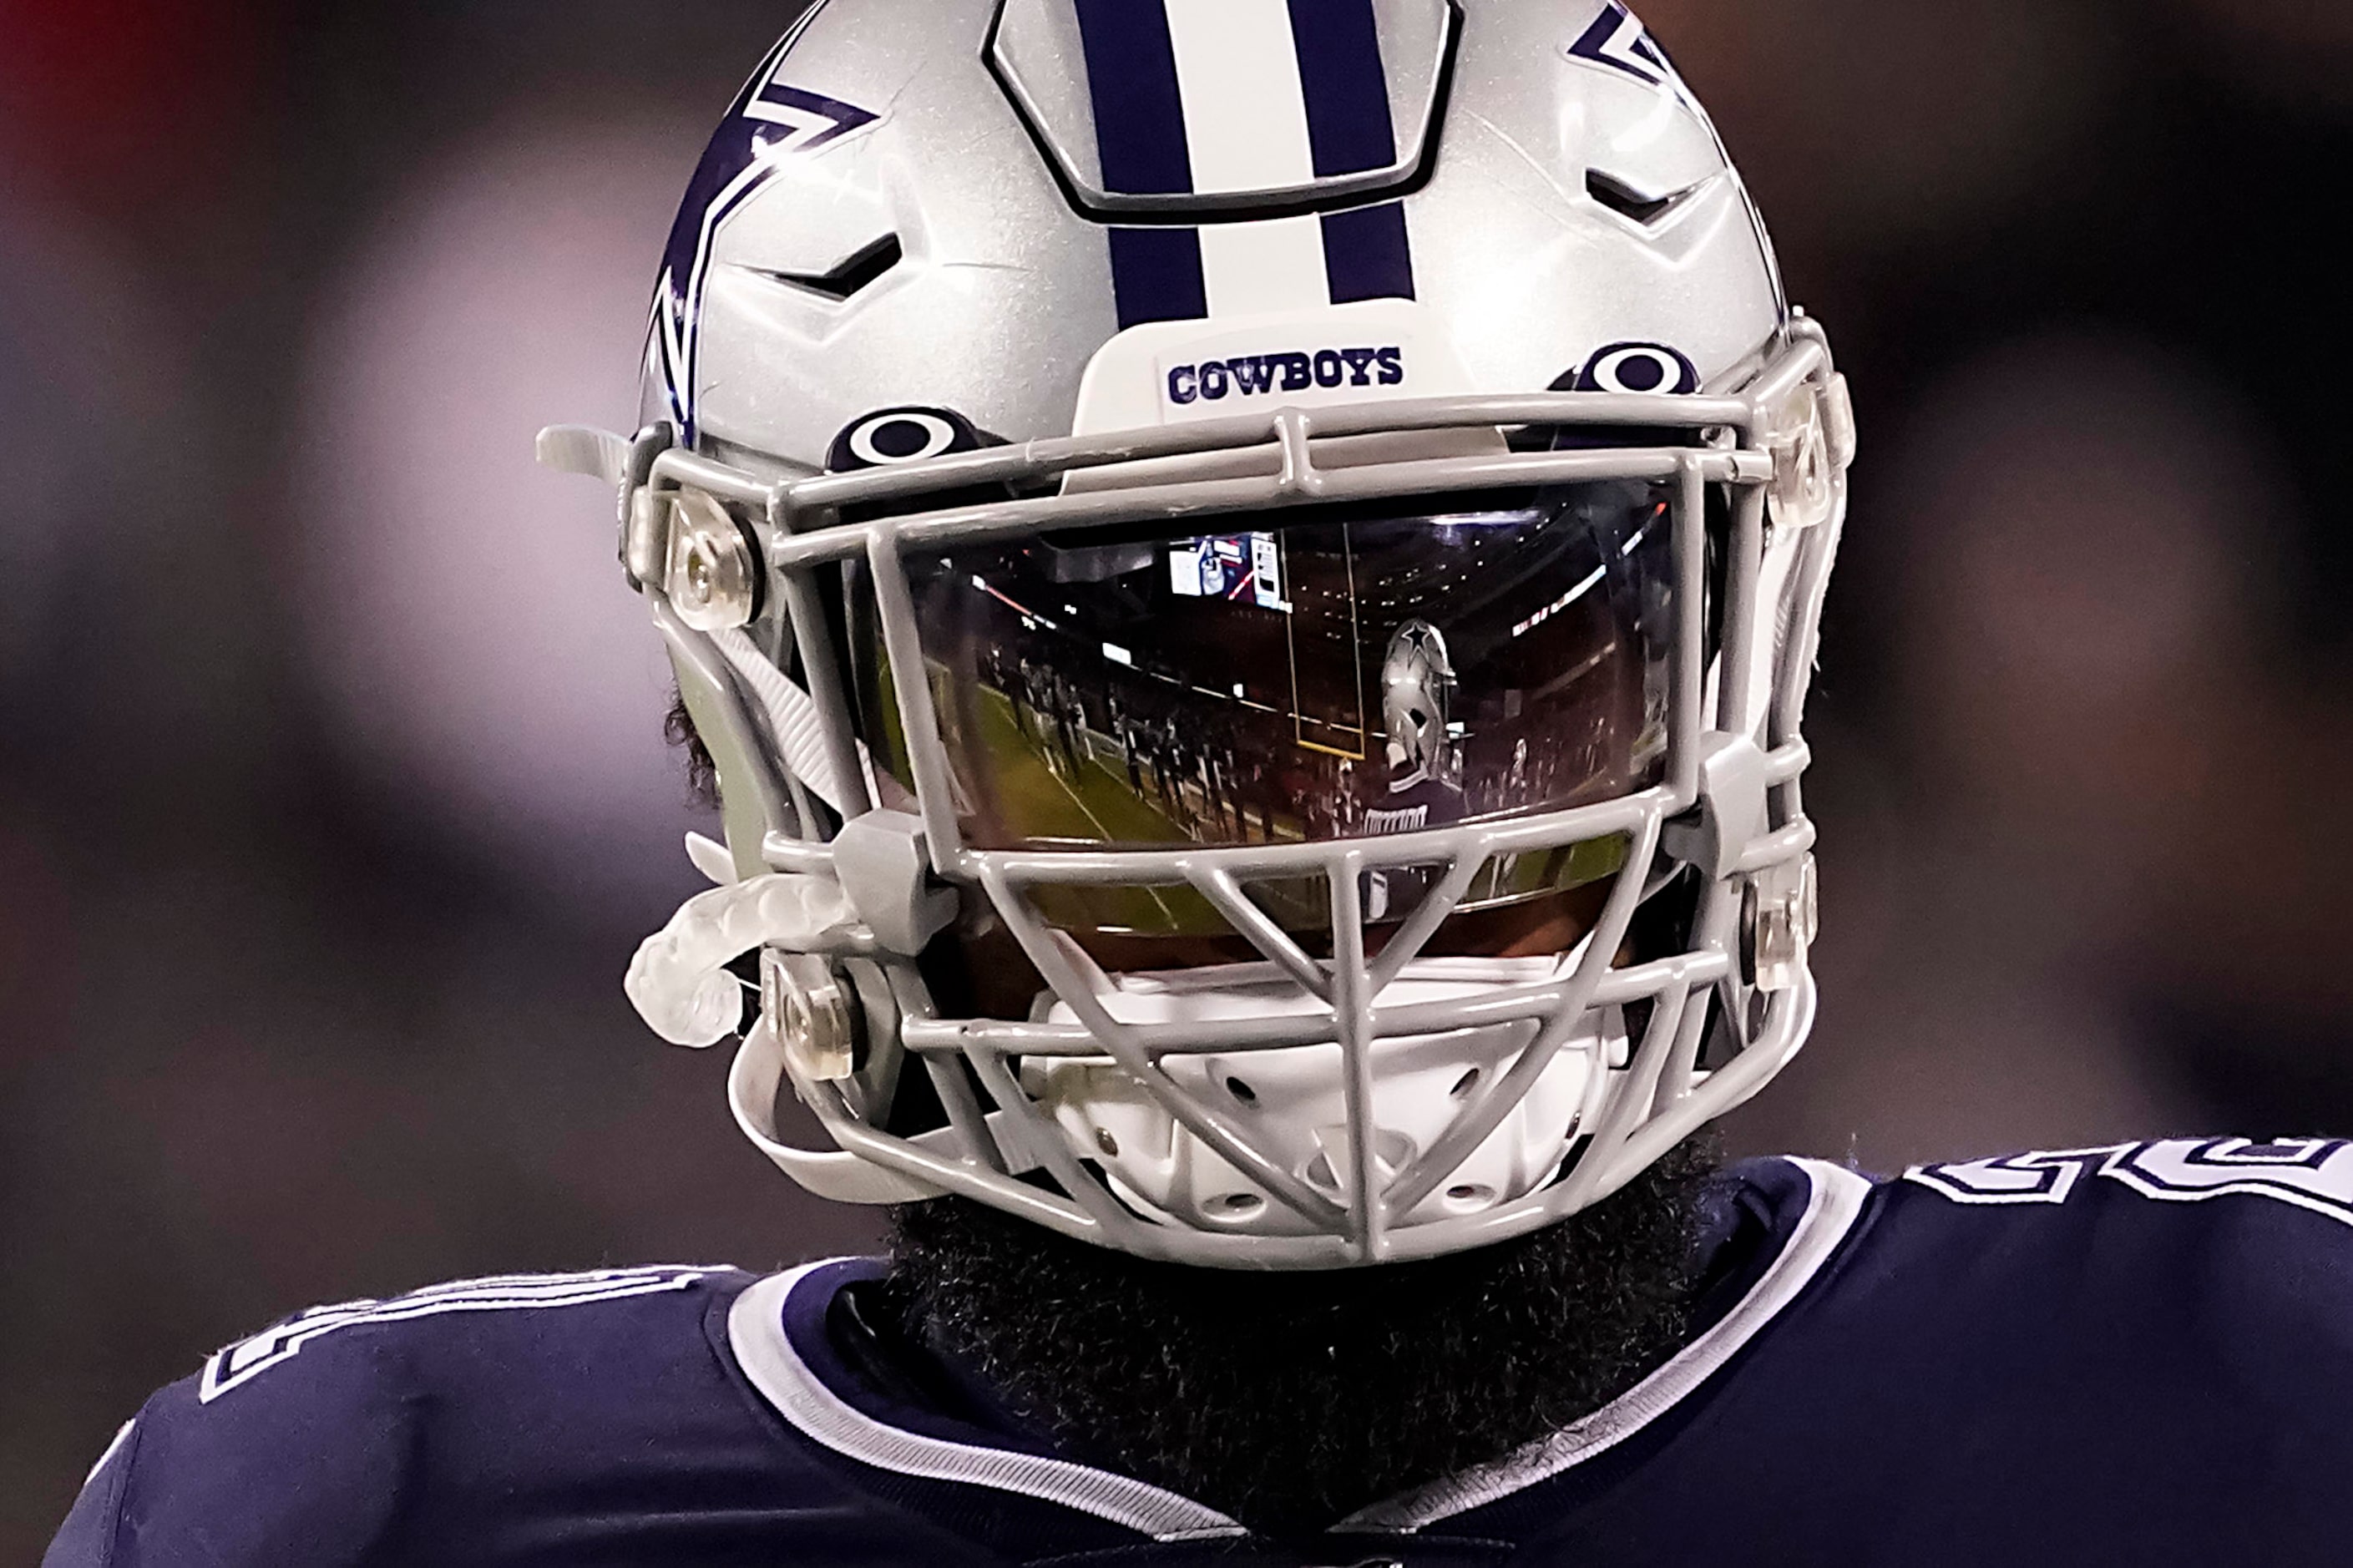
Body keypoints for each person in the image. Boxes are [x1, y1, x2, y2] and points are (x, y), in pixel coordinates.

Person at [47, 3, 2353, 1564]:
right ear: (769, 727)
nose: (1335, 868)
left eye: (1489, 667)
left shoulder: (2280, 1385)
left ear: (1739, 630)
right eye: (1139, 707)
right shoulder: (365, 1514)